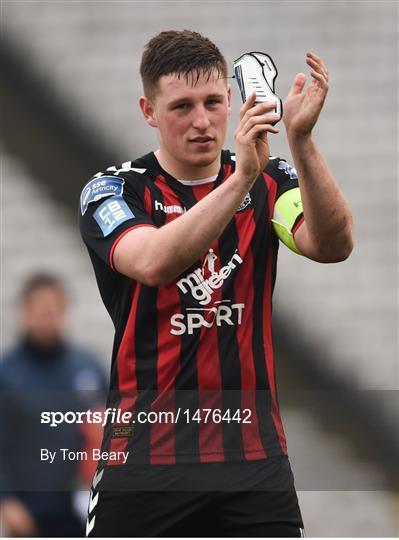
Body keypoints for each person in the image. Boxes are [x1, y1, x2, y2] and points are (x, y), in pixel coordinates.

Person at [79, 30, 353, 537]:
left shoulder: (268, 180)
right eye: (181, 106)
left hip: (254, 460)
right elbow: (154, 262)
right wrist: (240, 180)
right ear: (148, 110)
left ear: (232, 98)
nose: (202, 121)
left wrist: (302, 142)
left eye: (212, 101)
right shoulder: (115, 190)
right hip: (144, 462)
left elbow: (332, 244)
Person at [0, 273, 107, 537]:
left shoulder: (87, 366)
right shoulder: (7, 373)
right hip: (29, 510)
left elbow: (113, 427)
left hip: (84, 507)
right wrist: (5, 499)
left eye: (53, 309)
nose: (46, 317)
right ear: (24, 312)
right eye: (40, 309)